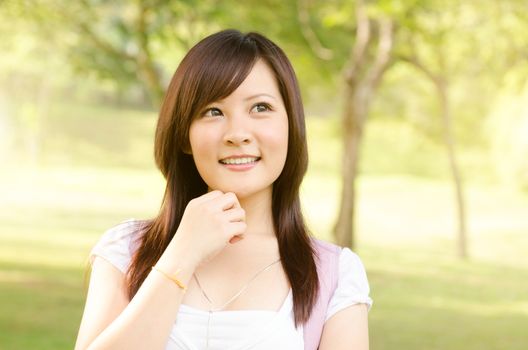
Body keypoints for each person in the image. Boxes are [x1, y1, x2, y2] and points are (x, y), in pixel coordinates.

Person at [74, 29, 372, 350]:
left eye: (260, 108)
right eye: (213, 111)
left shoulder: (335, 275)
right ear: (184, 136)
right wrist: (182, 254)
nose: (237, 133)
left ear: (291, 126)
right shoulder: (126, 251)